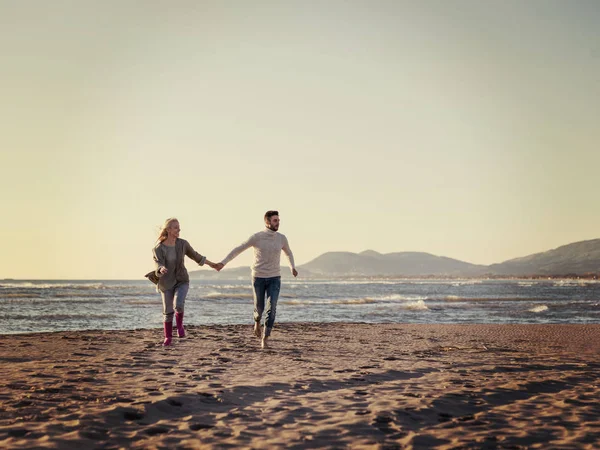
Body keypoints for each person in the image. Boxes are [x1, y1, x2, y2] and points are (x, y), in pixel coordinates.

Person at [215, 210, 297, 349]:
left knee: (272, 308)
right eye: (275, 220)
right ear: (267, 222)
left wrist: (292, 267)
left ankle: (265, 339)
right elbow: (238, 249)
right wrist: (223, 263)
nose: (278, 223)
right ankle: (257, 321)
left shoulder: (281, 238)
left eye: (278, 220)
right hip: (258, 276)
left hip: (274, 277)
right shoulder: (257, 237)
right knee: (259, 308)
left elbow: (288, 252)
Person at [152, 218, 217, 346]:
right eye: (175, 227)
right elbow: (158, 264)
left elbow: (196, 256)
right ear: (168, 229)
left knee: (179, 304)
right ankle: (168, 337)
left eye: (179, 227)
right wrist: (161, 268)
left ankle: (180, 326)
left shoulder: (183, 244)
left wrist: (213, 264)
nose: (179, 229)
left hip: (182, 280)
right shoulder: (158, 248)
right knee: (168, 310)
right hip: (166, 282)